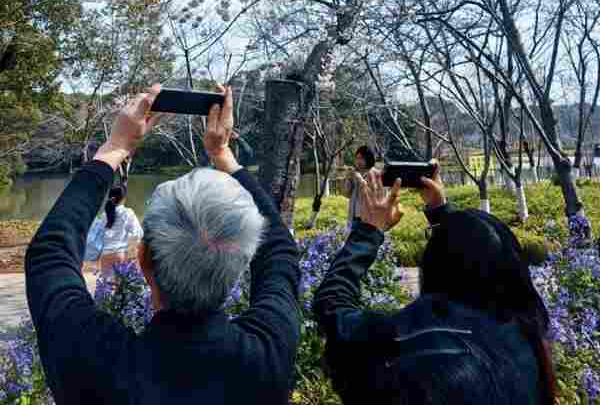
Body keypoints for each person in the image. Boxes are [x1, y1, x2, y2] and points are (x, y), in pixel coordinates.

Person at [26, 85, 300, 405]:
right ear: (242, 263)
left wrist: (116, 147)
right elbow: (280, 249)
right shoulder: (267, 357)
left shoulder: (97, 364)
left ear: (143, 258)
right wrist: (223, 154)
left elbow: (49, 256)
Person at [314, 162, 556, 405]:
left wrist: (368, 231)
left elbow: (332, 306)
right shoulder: (527, 341)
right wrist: (441, 214)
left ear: (433, 266)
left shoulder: (406, 339)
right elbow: (474, 258)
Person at [84, 183, 144, 277]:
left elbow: (99, 234)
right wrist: (131, 248)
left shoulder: (105, 215)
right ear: (124, 198)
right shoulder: (127, 213)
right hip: (119, 253)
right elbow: (138, 233)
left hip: (105, 256)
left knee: (107, 287)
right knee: (120, 288)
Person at [343, 145, 376, 227]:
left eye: (361, 158)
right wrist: (348, 179)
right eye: (356, 158)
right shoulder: (355, 174)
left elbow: (371, 194)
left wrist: (360, 179)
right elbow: (347, 194)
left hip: (368, 220)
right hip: (353, 218)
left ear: (368, 159)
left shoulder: (374, 173)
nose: (358, 161)